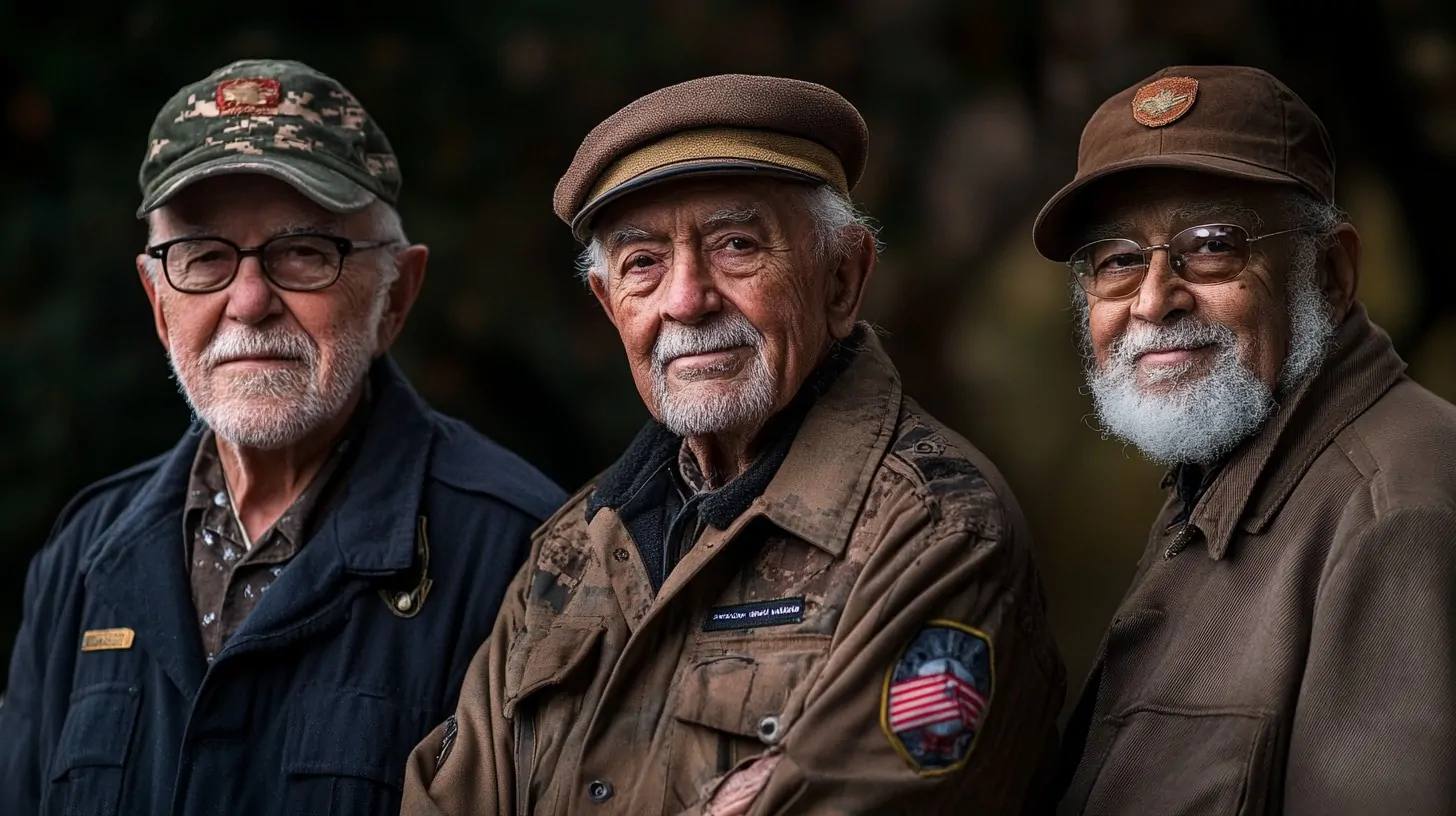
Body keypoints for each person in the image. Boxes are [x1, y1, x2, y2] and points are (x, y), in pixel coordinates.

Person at [401, 73, 1066, 816]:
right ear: (609, 305)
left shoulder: (936, 532)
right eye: (643, 263)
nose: (685, 300)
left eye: (736, 245)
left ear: (842, 280)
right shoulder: (573, 542)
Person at [0, 59, 564, 815]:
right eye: (202, 256)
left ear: (397, 294)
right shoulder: (81, 559)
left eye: (304, 251)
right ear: (158, 302)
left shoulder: (523, 555)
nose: (250, 300)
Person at [1034, 65, 1456, 814]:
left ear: (1330, 271)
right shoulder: (1229, 466)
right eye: (1121, 260)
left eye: (1211, 244)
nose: (1155, 300)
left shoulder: (1400, 517)